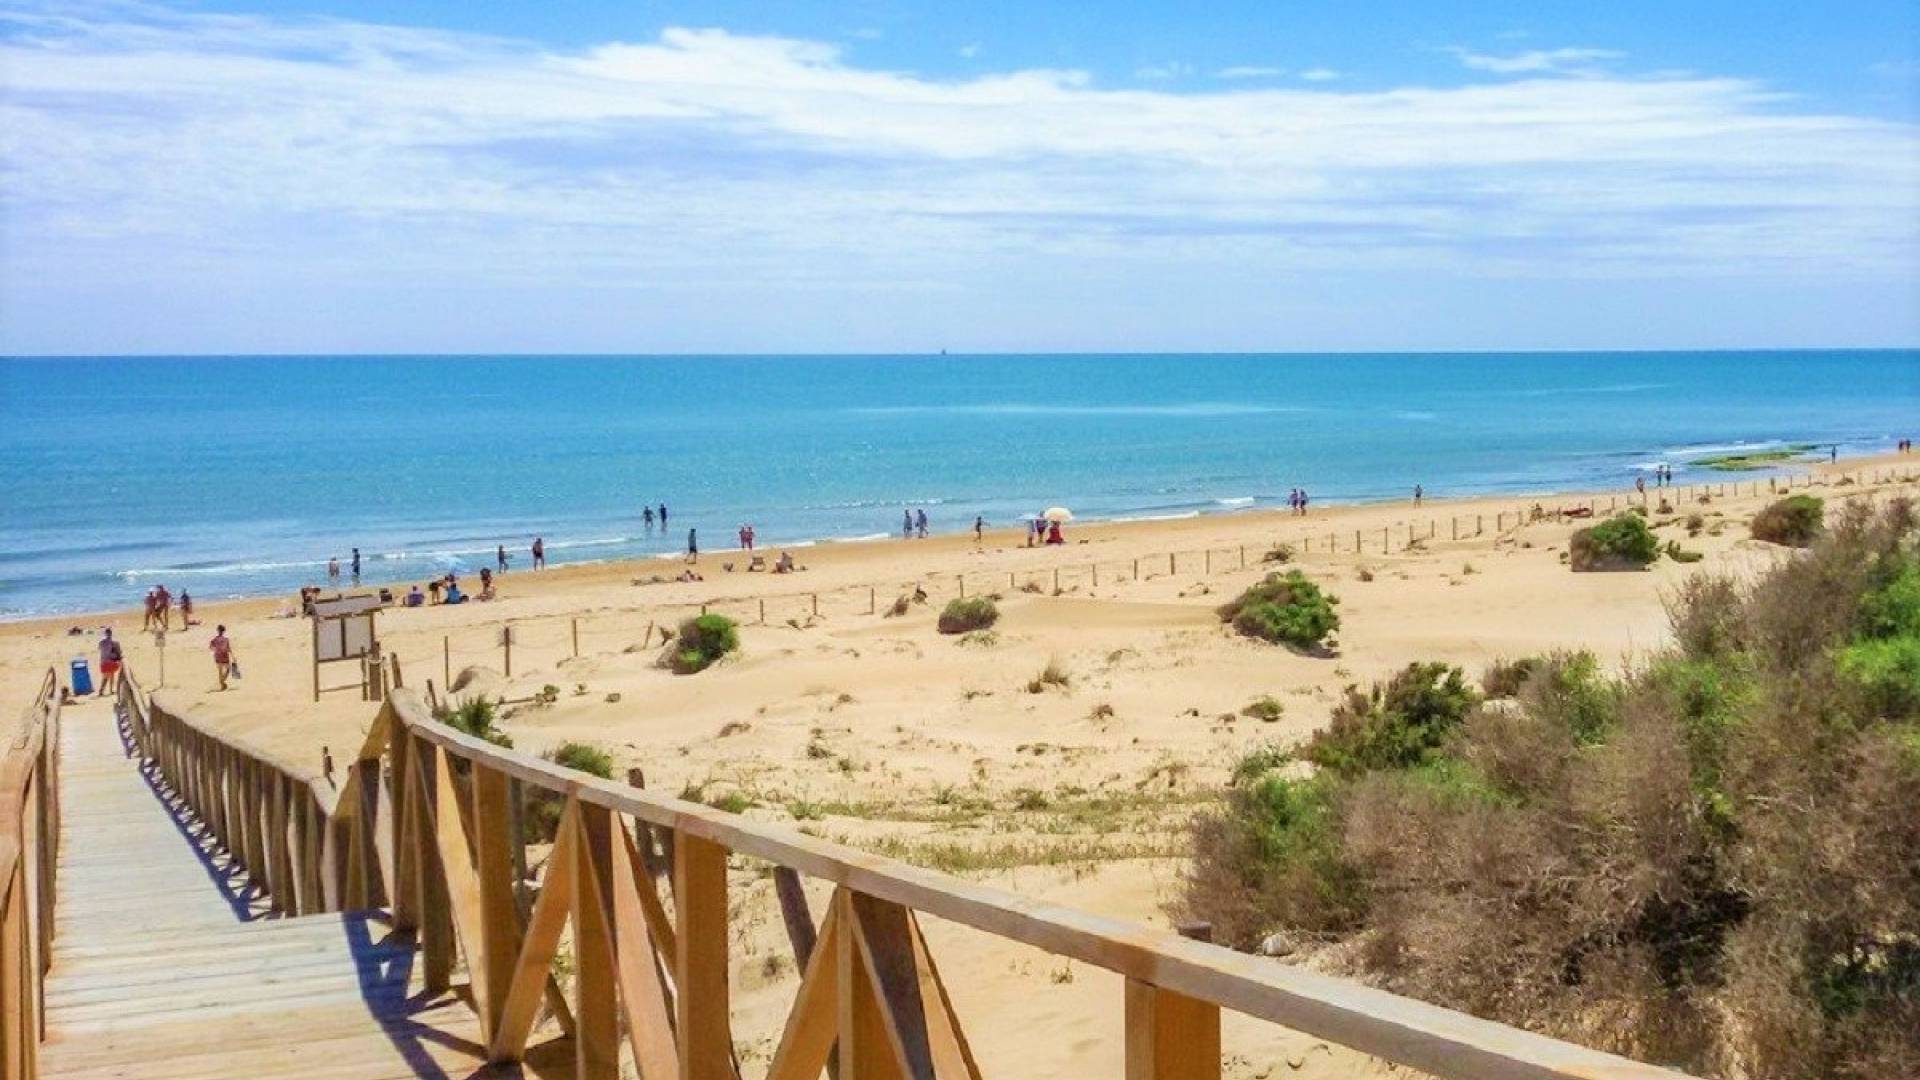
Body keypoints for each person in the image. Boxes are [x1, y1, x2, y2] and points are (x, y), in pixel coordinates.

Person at [98, 628, 122, 696]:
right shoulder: (115, 642)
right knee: (110, 675)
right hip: (111, 662)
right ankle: (108, 690)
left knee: (106, 676)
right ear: (111, 634)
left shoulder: (101, 642)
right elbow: (118, 652)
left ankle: (103, 690)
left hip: (103, 662)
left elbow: (100, 649)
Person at [209, 625, 235, 691]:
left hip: (218, 656)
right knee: (228, 669)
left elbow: (211, 647)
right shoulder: (226, 639)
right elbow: (228, 649)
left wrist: (215, 650)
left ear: (218, 630)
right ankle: (222, 681)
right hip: (224, 656)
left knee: (220, 671)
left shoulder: (215, 639)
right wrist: (233, 656)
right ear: (224, 631)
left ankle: (222, 684)